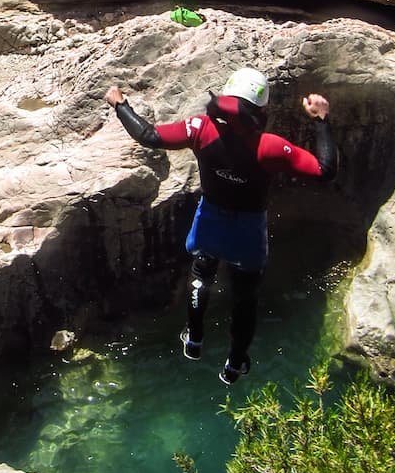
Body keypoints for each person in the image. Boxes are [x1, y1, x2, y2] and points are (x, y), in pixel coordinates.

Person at [105, 67, 338, 385]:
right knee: (245, 298)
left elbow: (148, 136)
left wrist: (120, 104)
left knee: (201, 274)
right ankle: (234, 364)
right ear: (261, 110)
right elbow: (325, 170)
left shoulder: (201, 129)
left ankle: (194, 340)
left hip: (210, 221)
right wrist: (321, 120)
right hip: (247, 233)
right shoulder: (269, 147)